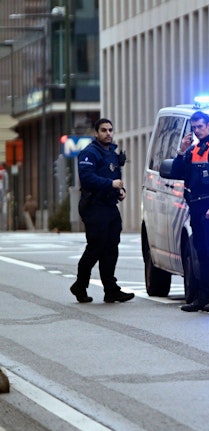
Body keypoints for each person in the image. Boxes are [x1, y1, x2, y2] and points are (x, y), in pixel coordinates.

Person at [71, 118, 134, 304]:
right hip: (94, 206)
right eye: (104, 130)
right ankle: (80, 285)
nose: (108, 133)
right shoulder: (90, 153)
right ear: (96, 133)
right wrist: (110, 184)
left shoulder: (112, 154)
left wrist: (121, 191)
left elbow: (116, 178)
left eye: (110, 130)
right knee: (96, 247)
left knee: (111, 248)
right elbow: (87, 178)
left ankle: (111, 290)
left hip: (109, 206)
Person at [171, 110, 209, 312]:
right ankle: (202, 298)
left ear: (208, 126)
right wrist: (181, 150)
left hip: (208, 207)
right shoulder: (193, 150)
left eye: (200, 127)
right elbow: (176, 173)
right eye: (194, 128)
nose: (197, 131)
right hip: (195, 206)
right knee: (201, 252)